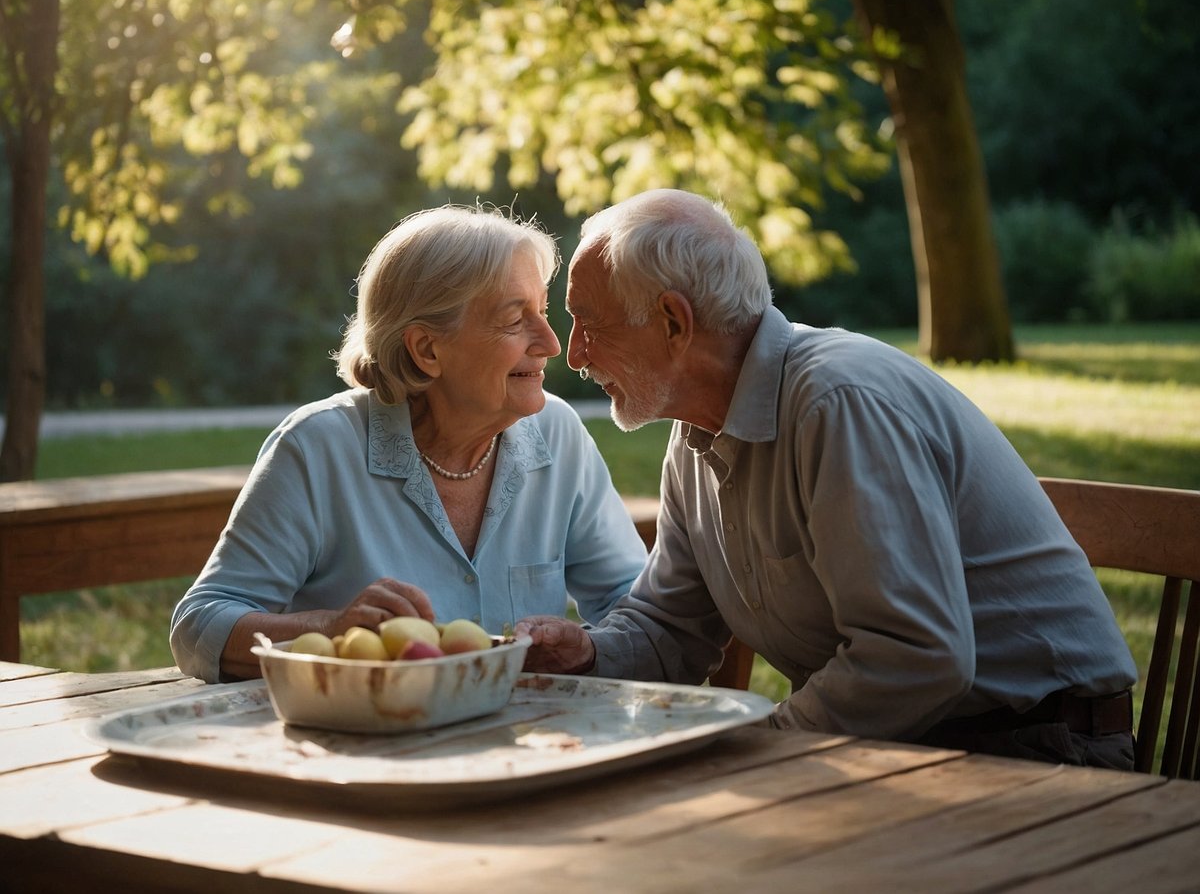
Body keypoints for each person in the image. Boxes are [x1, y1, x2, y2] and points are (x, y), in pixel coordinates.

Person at [517, 188, 1138, 770]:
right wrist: (589, 653)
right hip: (913, 744)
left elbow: (917, 656)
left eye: (589, 324)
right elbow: (672, 626)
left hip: (1033, 748)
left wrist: (759, 748)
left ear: (674, 322)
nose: (574, 355)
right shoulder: (697, 435)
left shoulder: (837, 402)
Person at [171, 204, 646, 683]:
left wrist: (586, 649)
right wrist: (328, 630)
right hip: (364, 745)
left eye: (542, 312)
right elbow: (199, 626)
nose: (550, 342)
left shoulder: (557, 433)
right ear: (426, 349)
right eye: (514, 318)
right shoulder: (319, 448)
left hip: (524, 740)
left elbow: (631, 600)